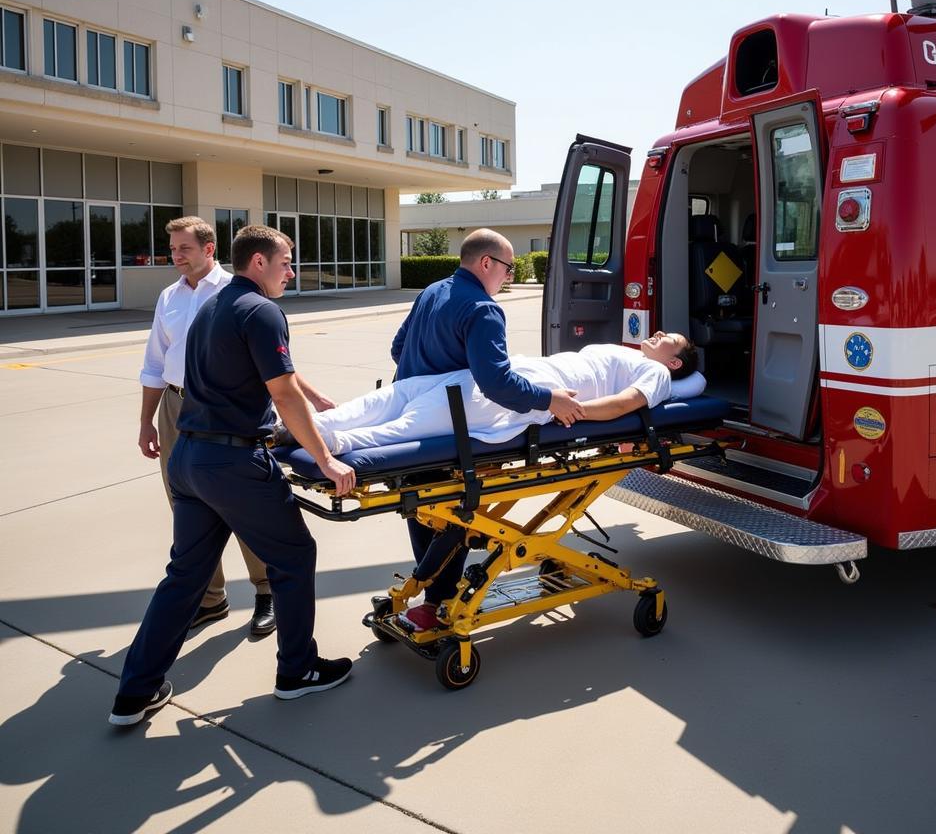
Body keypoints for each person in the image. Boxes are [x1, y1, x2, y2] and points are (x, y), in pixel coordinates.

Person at [109, 225, 356, 727]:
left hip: (189, 460)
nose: (292, 271)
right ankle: (298, 671)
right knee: (294, 554)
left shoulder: (209, 309)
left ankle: (134, 694)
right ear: (258, 263)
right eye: (286, 261)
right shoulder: (261, 311)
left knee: (184, 575)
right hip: (232, 463)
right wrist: (325, 460)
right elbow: (284, 394)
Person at [139, 216, 332, 638]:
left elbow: (274, 369)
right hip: (180, 410)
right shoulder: (170, 297)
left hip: (225, 419)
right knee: (188, 508)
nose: (175, 256)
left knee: (242, 509)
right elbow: (155, 362)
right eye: (172, 249)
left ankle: (266, 591)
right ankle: (210, 600)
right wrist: (146, 422)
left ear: (209, 250)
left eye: (183, 248)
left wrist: (311, 397)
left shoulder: (230, 295)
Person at [389, 228, 585, 631]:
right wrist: (551, 400)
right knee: (457, 515)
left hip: (408, 424)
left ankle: (430, 591)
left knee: (424, 509)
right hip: (449, 431)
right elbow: (497, 382)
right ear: (486, 264)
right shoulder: (483, 308)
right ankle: (439, 601)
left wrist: (431, 378)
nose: (509, 277)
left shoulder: (431, 291)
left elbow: (398, 348)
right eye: (508, 269)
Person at [288, 332, 700, 454]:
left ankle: (330, 442)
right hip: (505, 375)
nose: (659, 333)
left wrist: (573, 412)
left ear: (675, 363)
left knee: (406, 426)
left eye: (671, 339)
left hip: (520, 399)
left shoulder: (656, 374)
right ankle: (304, 426)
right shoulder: (628, 352)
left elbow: (625, 405)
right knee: (397, 396)